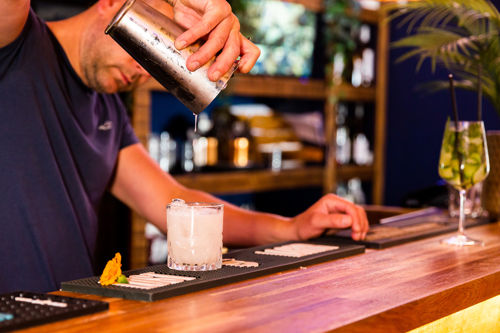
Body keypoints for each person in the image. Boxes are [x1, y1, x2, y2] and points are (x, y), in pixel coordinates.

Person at [0, 0, 369, 293]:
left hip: (66, 315)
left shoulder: (106, 106)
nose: (147, 71)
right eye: (150, 40)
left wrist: (290, 228)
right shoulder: (17, 41)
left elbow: (171, 202)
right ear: (112, 3)